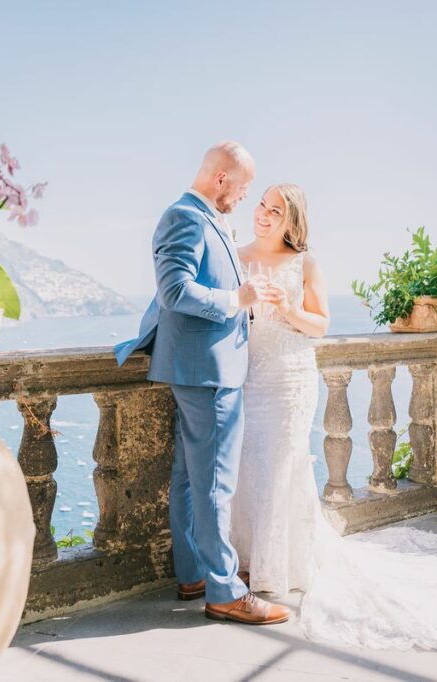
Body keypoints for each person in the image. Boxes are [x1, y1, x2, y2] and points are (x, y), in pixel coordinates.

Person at [230, 183, 437, 649]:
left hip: (290, 376)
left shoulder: (306, 263)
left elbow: (320, 326)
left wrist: (289, 307)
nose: (263, 213)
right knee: (246, 465)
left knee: (282, 465)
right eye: (261, 204)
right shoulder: (236, 257)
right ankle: (244, 558)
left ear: (291, 222)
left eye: (275, 210)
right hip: (249, 376)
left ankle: (281, 564)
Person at [114, 142, 290, 625]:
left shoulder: (204, 216)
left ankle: (195, 574)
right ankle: (227, 592)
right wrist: (237, 298)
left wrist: (244, 302)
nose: (245, 196)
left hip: (202, 365)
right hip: (207, 370)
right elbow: (175, 291)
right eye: (244, 186)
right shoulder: (185, 217)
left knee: (192, 479)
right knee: (215, 483)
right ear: (221, 179)